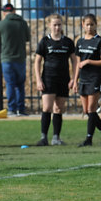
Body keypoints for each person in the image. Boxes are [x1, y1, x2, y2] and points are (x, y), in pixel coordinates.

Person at [34, 14, 77, 146]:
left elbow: (74, 61)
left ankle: (56, 138)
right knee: (47, 107)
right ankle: (43, 138)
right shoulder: (44, 41)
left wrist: (74, 79)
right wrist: (38, 80)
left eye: (59, 25)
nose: (57, 27)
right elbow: (37, 61)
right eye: (54, 25)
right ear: (49, 26)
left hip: (63, 79)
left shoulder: (68, 42)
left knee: (59, 108)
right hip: (48, 78)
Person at [73, 13, 101, 147]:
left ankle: (88, 139)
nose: (89, 27)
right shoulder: (80, 42)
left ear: (96, 25)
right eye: (87, 24)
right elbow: (78, 64)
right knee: (87, 111)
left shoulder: (99, 41)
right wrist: (75, 80)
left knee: (91, 108)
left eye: (92, 24)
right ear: (83, 25)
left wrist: (89, 61)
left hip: (95, 78)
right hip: (83, 79)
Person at [0, 3, 31, 116]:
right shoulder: (22, 23)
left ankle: (12, 109)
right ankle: (21, 109)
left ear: (4, 12)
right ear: (14, 11)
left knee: (10, 84)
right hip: (20, 58)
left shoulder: (0, 24)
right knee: (20, 85)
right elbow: (28, 38)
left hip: (7, 59)